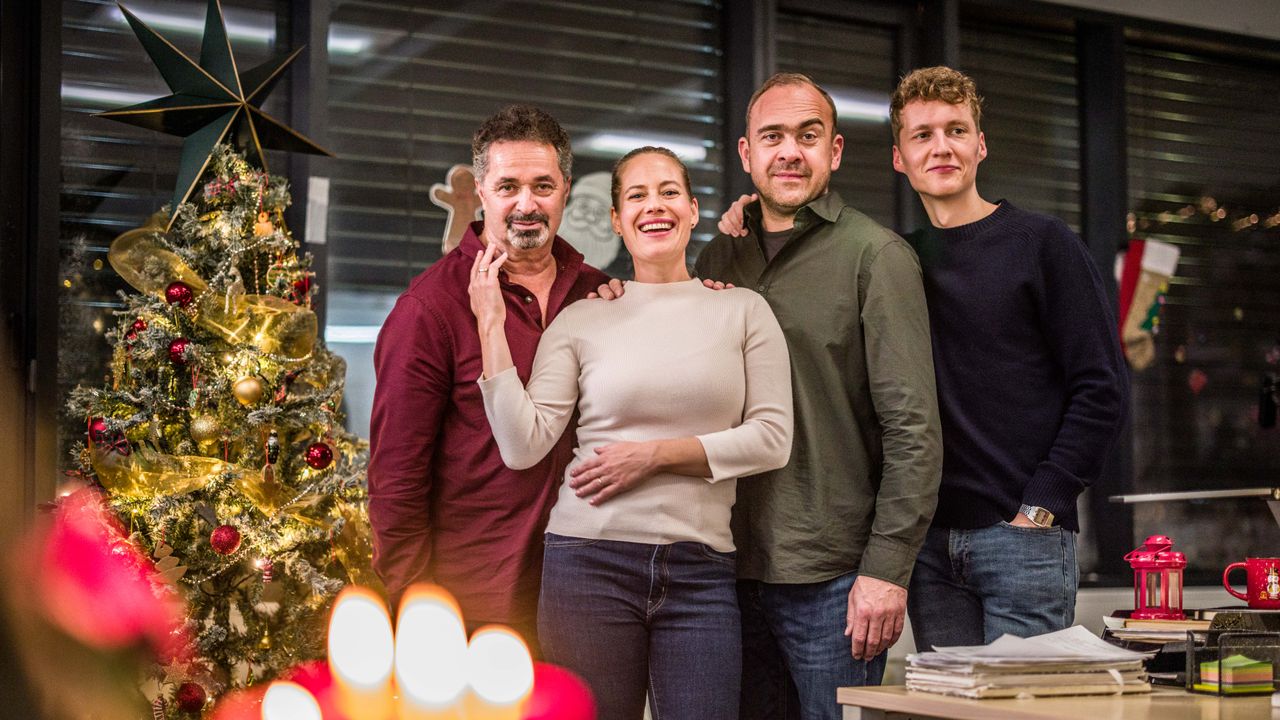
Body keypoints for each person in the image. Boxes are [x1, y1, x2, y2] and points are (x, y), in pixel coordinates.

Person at [468, 146, 793, 720]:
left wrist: (655, 456)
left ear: (692, 210)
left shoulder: (744, 311)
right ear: (617, 220)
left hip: (701, 568)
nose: (655, 206)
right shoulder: (583, 318)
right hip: (587, 563)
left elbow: (772, 438)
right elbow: (523, 445)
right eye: (637, 196)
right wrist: (490, 324)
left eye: (669, 192)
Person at [704, 72, 943, 720]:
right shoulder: (718, 258)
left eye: (808, 136)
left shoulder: (875, 256)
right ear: (746, 153)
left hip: (832, 579)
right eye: (772, 137)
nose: (789, 151)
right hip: (724, 569)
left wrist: (887, 569)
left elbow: (913, 431)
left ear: (834, 151)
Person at [888, 66, 1127, 649]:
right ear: (899, 157)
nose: (941, 146)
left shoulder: (1044, 244)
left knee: (1022, 700)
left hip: (1023, 540)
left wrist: (1042, 505)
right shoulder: (897, 261)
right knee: (947, 701)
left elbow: (1101, 387)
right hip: (930, 548)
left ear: (981, 145)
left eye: (956, 130)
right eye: (922, 135)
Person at [366, 105, 610, 648]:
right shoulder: (430, 308)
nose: (527, 204)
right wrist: (414, 601)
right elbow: (396, 477)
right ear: (481, 191)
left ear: (566, 190)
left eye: (543, 185)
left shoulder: (599, 293)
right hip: (474, 599)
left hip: (590, 591)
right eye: (508, 187)